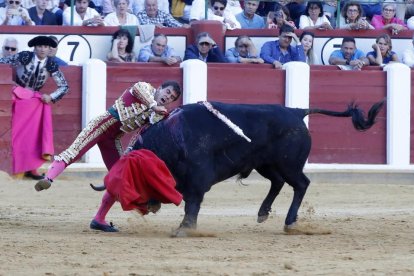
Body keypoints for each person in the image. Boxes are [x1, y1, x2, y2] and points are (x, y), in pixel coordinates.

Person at [34, 80, 181, 192]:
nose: (167, 97)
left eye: (171, 98)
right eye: (167, 92)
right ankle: (48, 178)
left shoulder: (156, 114)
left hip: (114, 137)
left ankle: (102, 218)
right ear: (160, 88)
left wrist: (129, 149)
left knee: (121, 174)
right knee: (74, 151)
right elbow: (137, 90)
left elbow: (140, 132)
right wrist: (154, 106)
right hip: (102, 124)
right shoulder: (145, 87)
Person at [0, 36, 69, 179]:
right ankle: (13, 166)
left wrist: (51, 97)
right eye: (40, 46)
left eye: (45, 46)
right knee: (15, 133)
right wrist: (9, 82)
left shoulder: (51, 64)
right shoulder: (25, 56)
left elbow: (64, 86)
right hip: (17, 97)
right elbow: (2, 63)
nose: (43, 49)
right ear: (34, 47)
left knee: (34, 136)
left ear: (49, 49)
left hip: (35, 103)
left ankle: (31, 168)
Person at [90, 149, 183, 232]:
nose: (146, 213)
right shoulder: (143, 185)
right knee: (121, 183)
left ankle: (99, 217)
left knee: (119, 181)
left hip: (137, 154)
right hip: (139, 156)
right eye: (148, 210)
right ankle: (99, 218)